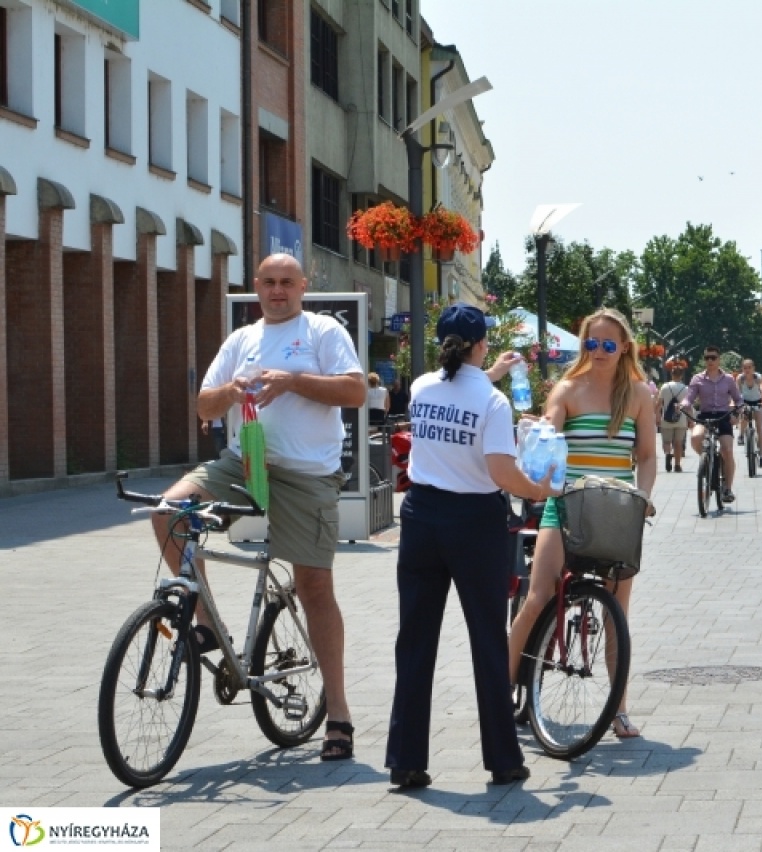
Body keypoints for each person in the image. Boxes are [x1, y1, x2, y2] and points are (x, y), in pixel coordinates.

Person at [152, 252, 365, 762]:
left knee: (315, 586)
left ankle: (338, 715)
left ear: (302, 287)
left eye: (286, 282)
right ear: (256, 286)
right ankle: (208, 625)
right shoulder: (241, 340)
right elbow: (204, 405)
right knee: (167, 511)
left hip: (308, 474)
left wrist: (290, 381)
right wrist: (231, 390)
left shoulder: (321, 333)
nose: (277, 291)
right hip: (243, 464)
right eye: (268, 282)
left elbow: (355, 391)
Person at [385, 304, 556, 789]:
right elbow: (502, 471)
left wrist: (490, 372)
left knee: (415, 640)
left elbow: (458, 386)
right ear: (481, 344)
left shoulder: (421, 388)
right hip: (473, 522)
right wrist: (538, 489)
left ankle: (406, 758)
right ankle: (502, 758)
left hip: (421, 516)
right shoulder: (494, 403)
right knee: (486, 638)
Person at [506, 307, 657, 739]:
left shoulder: (638, 394)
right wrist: (541, 429)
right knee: (537, 597)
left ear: (624, 346)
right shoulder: (569, 388)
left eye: (609, 344)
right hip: (567, 503)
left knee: (617, 614)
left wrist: (644, 498)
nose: (601, 351)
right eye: (592, 343)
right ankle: (498, 688)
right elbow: (551, 429)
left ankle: (619, 709)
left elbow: (646, 457)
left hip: (617, 509)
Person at [681, 345, 743, 502]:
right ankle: (709, 460)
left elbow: (738, 399)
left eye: (713, 357)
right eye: (707, 358)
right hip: (705, 416)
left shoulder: (728, 379)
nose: (710, 361)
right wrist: (683, 404)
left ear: (719, 359)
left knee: (727, 450)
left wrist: (737, 413)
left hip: (723, 416)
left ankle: (727, 488)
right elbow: (689, 397)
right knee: (695, 438)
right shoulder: (697, 379)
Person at [736, 359, 762, 468]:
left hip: (757, 401)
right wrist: (735, 403)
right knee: (744, 417)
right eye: (745, 368)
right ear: (742, 369)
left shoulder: (758, 377)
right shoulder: (740, 378)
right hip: (745, 401)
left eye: (749, 367)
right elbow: (736, 391)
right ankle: (740, 435)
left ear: (753, 368)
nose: (747, 370)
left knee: (759, 428)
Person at [658, 366, 689, 472]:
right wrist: (691, 420)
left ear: (671, 374)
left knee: (666, 441)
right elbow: (688, 406)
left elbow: (659, 403)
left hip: (666, 419)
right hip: (681, 419)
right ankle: (677, 465)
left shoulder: (665, 387)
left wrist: (656, 415)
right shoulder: (685, 388)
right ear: (681, 375)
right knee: (678, 443)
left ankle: (668, 454)